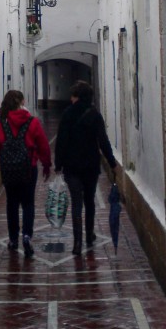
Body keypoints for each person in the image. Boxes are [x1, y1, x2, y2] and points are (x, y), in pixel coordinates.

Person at [0, 90, 51, 258]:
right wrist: (47, 165)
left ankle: (13, 239)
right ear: (22, 103)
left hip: (8, 171)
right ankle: (27, 236)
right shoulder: (32, 122)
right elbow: (43, 144)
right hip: (29, 169)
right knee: (28, 203)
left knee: (12, 204)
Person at [54, 80, 117, 256]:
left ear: (77, 96)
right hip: (90, 165)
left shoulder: (67, 114)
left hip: (72, 166)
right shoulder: (95, 115)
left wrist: (58, 164)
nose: (71, 98)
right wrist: (112, 163)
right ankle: (89, 235)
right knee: (89, 201)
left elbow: (61, 141)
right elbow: (103, 141)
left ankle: (77, 243)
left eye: (73, 95)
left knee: (76, 202)